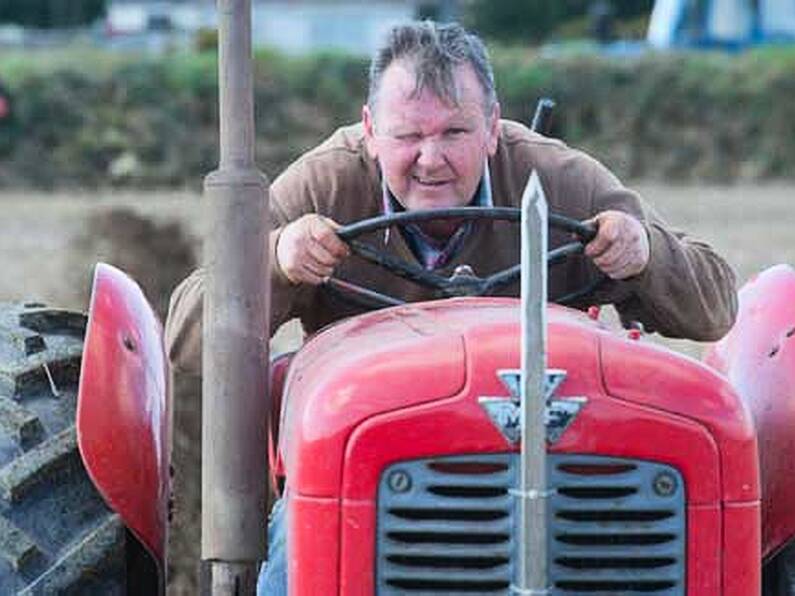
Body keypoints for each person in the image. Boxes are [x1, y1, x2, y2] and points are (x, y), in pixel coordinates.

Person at [165, 21, 737, 594]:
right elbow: (189, 336)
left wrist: (644, 253)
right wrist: (277, 261)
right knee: (293, 555)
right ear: (369, 130)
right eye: (408, 135)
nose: (430, 159)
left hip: (560, 457)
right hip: (370, 468)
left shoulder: (555, 178)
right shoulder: (326, 184)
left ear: (492, 127)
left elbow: (713, 308)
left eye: (455, 132)